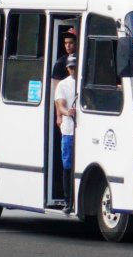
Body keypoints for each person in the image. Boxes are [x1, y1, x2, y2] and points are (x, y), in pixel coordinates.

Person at [54, 53, 77, 214]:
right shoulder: (62, 85)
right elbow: (60, 106)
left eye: (75, 67)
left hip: (83, 130)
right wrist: (67, 112)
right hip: (68, 130)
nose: (73, 70)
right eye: (70, 67)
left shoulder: (84, 82)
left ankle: (74, 200)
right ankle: (68, 201)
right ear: (67, 69)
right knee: (68, 165)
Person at [51, 27, 76, 126]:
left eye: (70, 43)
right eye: (66, 43)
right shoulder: (60, 63)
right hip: (66, 114)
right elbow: (57, 94)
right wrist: (58, 116)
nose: (68, 46)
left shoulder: (83, 59)